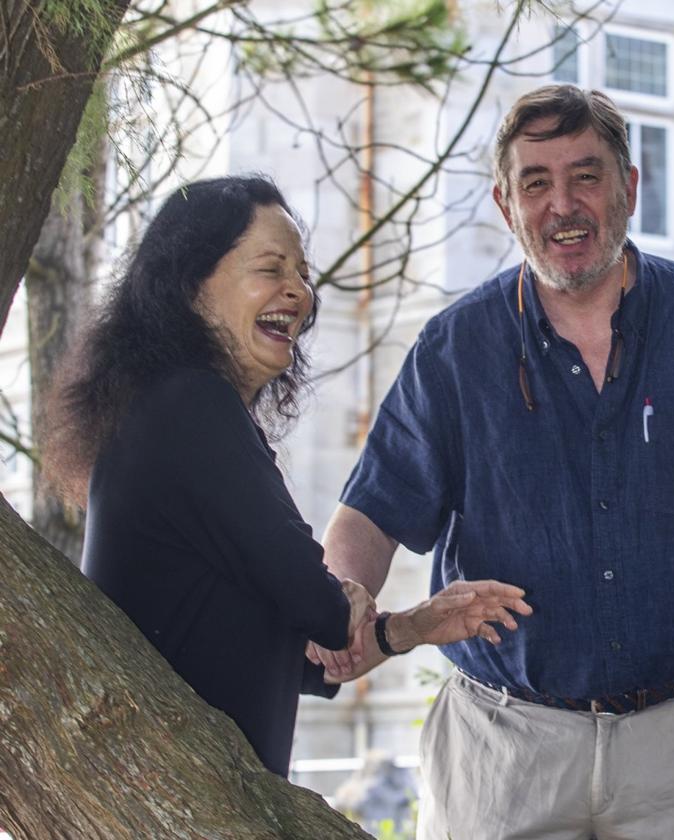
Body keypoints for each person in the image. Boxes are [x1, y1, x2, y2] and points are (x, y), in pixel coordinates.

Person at [308, 84, 674, 838]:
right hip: (504, 751)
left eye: (586, 176)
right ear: (504, 203)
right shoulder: (456, 348)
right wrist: (345, 595)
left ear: (630, 188)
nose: (564, 205)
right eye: (537, 182)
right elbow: (372, 514)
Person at [46, 176, 531, 777]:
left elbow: (305, 657)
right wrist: (337, 597)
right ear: (190, 284)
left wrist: (415, 626)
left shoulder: (175, 410)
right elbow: (317, 606)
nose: (297, 291)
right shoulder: (189, 405)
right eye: (270, 269)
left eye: (301, 273)